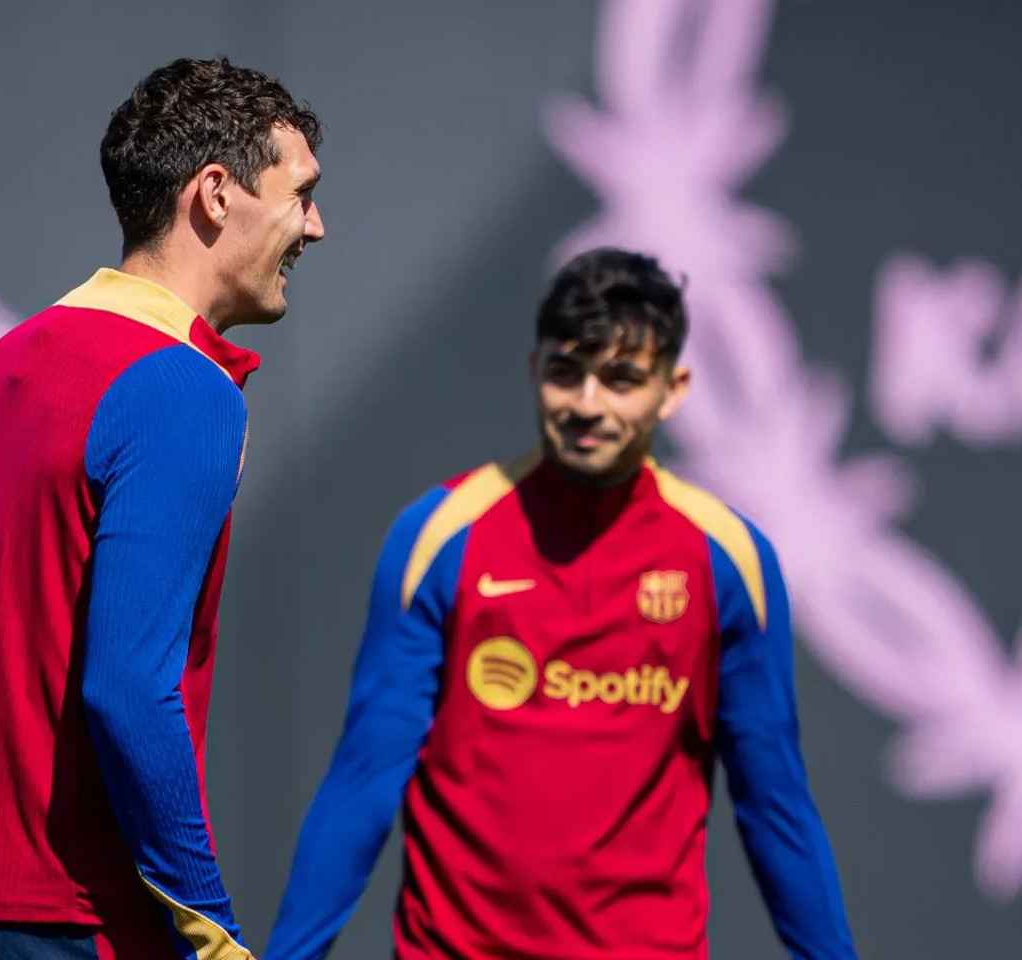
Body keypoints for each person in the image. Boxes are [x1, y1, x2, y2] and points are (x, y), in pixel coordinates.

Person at [268, 248, 857, 959]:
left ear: (673, 389)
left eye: (621, 379)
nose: (587, 404)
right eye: (565, 372)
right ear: (533, 370)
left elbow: (776, 810)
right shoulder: (440, 535)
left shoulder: (728, 559)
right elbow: (363, 781)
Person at [0, 57, 324, 960]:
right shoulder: (183, 387)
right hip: (86, 921)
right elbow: (129, 688)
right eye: (302, 195)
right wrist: (208, 923)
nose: (318, 227)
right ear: (217, 194)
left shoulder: (12, 357)